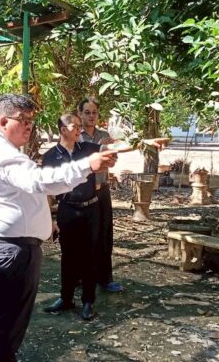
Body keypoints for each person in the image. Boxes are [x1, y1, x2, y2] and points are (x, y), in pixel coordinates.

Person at [0, 94, 118, 362]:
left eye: (31, 120)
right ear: (3, 121)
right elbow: (41, 181)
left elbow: (27, 191)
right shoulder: (2, 154)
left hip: (6, 244)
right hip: (10, 248)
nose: (29, 125)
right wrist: (87, 165)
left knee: (0, 316)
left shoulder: (2, 149)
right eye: (23, 120)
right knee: (6, 319)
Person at [42, 113, 102, 320]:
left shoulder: (88, 149)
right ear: (62, 130)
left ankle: (88, 301)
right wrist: (50, 219)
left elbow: (111, 149)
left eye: (79, 126)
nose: (78, 129)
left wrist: (140, 143)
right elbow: (46, 190)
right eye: (74, 126)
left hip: (90, 209)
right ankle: (66, 298)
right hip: (67, 210)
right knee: (68, 256)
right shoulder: (50, 156)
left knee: (89, 256)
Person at [78, 97, 124, 292]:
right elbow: (73, 161)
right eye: (87, 112)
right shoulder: (75, 136)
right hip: (83, 191)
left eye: (94, 113)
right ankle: (80, 278)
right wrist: (97, 148)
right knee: (83, 236)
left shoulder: (104, 135)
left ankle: (105, 279)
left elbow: (113, 160)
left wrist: (110, 151)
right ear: (80, 114)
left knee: (104, 235)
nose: (91, 116)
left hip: (102, 189)